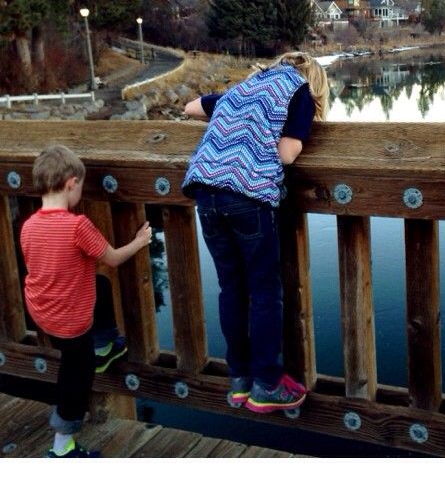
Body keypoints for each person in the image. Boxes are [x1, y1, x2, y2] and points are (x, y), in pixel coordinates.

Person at [182, 51, 329, 413]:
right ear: (314, 79)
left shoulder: (242, 91)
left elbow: (190, 108)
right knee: (264, 292)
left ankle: (240, 380)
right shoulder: (300, 93)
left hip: (205, 192)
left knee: (231, 288)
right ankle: (266, 383)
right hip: (246, 195)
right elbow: (287, 154)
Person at [20, 144, 152, 458]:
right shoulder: (78, 226)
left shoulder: (29, 226)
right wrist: (139, 241)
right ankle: (62, 448)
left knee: (100, 285)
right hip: (71, 323)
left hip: (41, 311)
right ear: (71, 184)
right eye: (80, 185)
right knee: (76, 377)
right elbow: (114, 258)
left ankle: (104, 346)